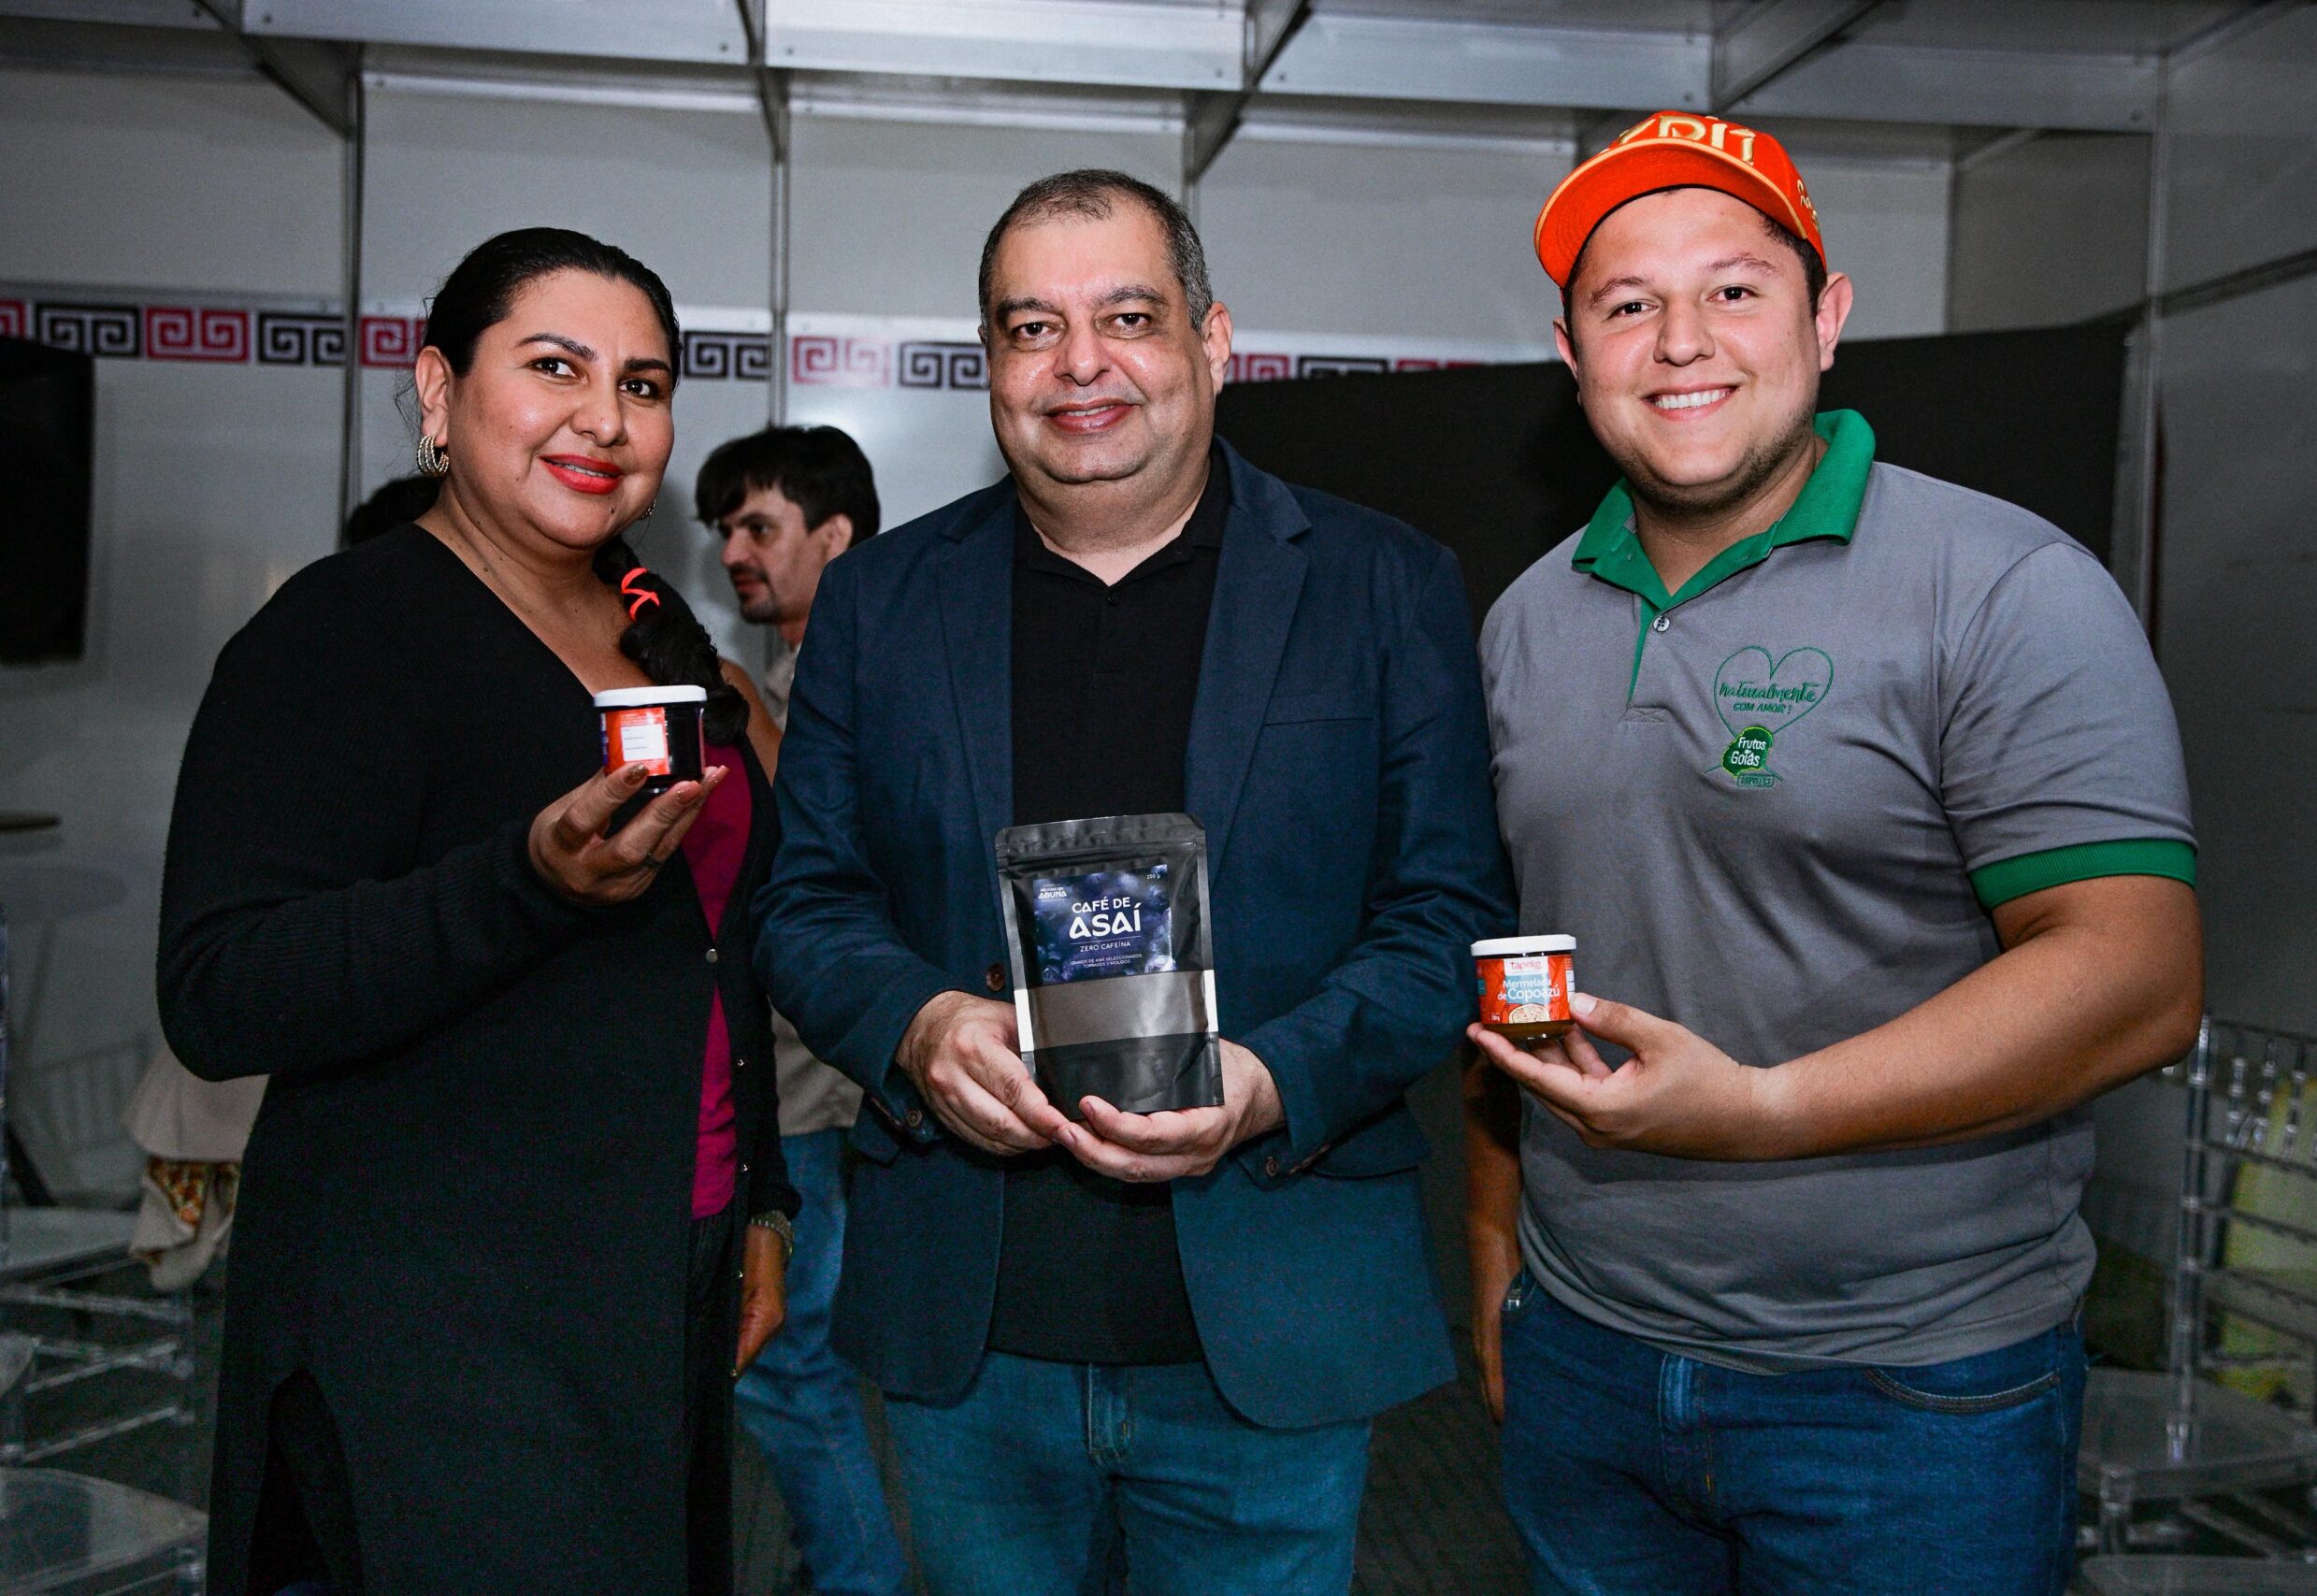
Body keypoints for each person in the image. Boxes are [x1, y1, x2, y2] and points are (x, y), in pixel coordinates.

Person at [1468, 112, 2204, 1595]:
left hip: (1909, 1387)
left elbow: (2137, 978)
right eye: (1629, 303)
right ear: (1571, 351)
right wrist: (1498, 1251)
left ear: (1828, 316)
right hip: (1592, 1357)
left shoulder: (2004, 587)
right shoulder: (1526, 619)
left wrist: (1759, 1109)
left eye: (1735, 289)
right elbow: (1522, 959)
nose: (1683, 340)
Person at [755, 169, 1512, 1596]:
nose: (1079, 364)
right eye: (1032, 327)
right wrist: (919, 1024)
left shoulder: (1380, 583)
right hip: (971, 1340)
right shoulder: (882, 600)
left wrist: (1273, 1078)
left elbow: (1447, 915)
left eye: (1128, 317)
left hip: (1269, 1328)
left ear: (1212, 341)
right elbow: (805, 901)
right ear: (990, 364)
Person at [157, 226, 799, 1596]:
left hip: (657, 1265)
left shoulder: (651, 631)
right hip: (443, 1307)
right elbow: (220, 988)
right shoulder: (345, 628)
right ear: (440, 391)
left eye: (641, 384)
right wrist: (526, 881)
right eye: (555, 367)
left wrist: (759, 1199)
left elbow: (714, 945)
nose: (604, 418)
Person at [696, 425, 907, 1596]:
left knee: (788, 1359)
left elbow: (831, 859)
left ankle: (857, 1577)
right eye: (723, 529)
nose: (734, 550)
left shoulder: (872, 679)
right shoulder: (775, 679)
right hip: (768, 1073)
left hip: (815, 1086)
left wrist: (740, 717)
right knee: (790, 1359)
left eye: (758, 527)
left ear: (835, 536)